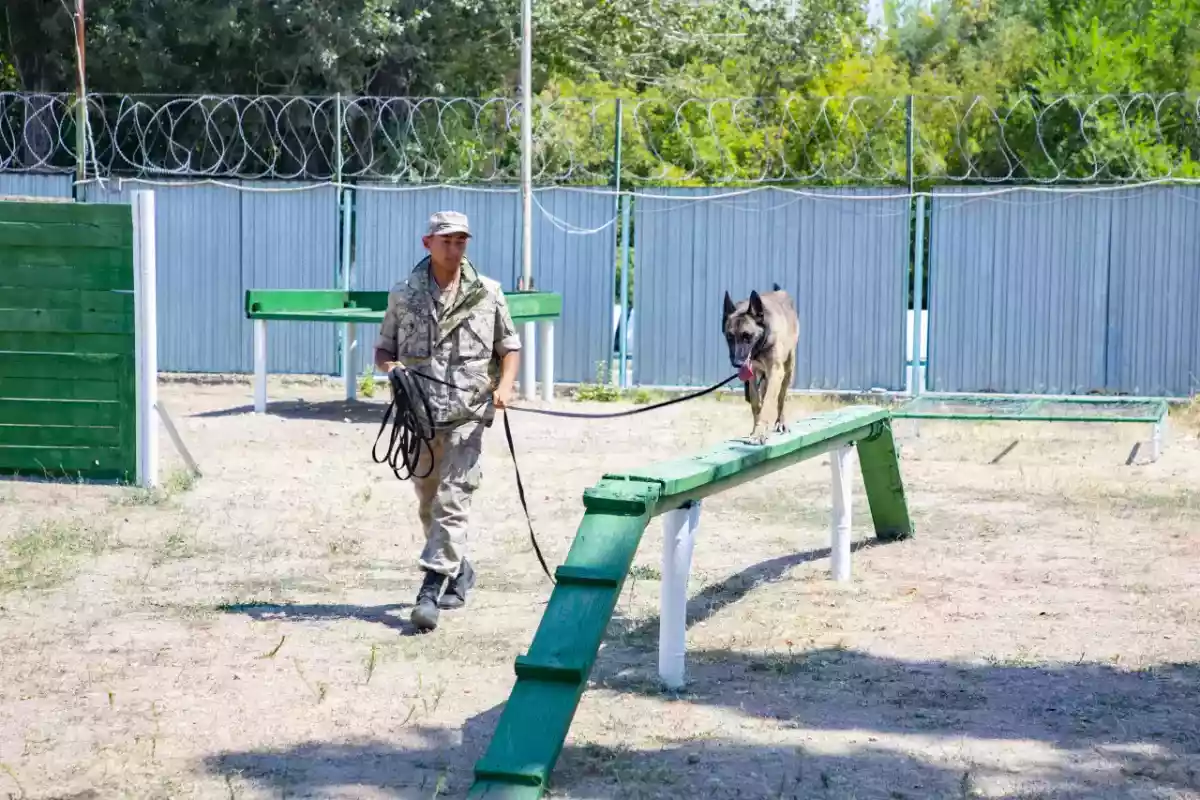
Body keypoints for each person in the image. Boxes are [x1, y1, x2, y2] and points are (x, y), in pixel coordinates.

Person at [373, 210, 522, 632]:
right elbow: (383, 350)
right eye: (447, 241)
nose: (455, 249)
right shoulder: (403, 294)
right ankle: (458, 569)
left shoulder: (488, 293)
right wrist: (392, 369)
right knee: (428, 502)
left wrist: (506, 386)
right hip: (418, 414)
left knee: (453, 501)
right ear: (428, 244)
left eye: (461, 241)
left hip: (468, 415)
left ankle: (429, 591)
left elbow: (508, 347)